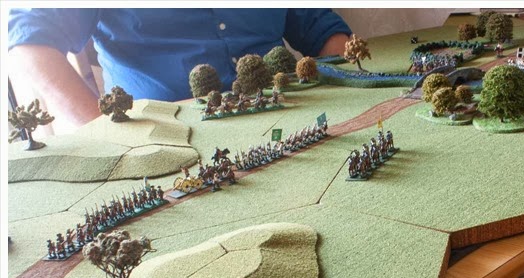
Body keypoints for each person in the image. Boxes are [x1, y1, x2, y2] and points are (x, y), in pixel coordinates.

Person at [8, 8, 351, 128]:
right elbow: (29, 42)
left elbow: (322, 28)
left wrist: (347, 96)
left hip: (288, 108)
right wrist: (102, 131)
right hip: (166, 132)